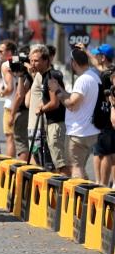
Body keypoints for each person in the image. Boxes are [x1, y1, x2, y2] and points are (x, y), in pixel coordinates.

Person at [48, 49, 101, 180]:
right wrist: (59, 88)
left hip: (78, 132)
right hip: (90, 130)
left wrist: (57, 92)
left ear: (74, 63)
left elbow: (71, 104)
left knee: (75, 167)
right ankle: (86, 190)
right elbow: (75, 97)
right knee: (80, 167)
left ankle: (80, 193)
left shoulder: (82, 80)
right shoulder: (94, 76)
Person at [28, 45, 68, 174]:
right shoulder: (44, 76)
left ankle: (67, 185)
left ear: (46, 60)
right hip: (52, 123)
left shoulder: (50, 77)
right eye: (31, 60)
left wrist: (42, 109)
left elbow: (55, 103)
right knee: (55, 162)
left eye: (36, 61)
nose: (33, 64)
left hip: (56, 124)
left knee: (60, 164)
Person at [90, 44, 115, 186]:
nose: (96, 57)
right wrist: (86, 52)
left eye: (98, 55)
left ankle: (102, 184)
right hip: (107, 117)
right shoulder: (109, 72)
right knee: (105, 152)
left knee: (104, 152)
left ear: (103, 57)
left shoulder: (107, 74)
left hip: (105, 118)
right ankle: (106, 183)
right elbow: (95, 63)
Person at [0, 41, 18, 157]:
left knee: (10, 138)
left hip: (10, 106)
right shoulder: (19, 62)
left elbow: (10, 88)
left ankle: (10, 165)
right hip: (21, 104)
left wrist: (2, 93)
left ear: (9, 52)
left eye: (1, 51)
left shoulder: (6, 65)